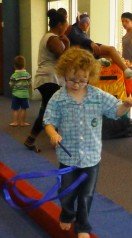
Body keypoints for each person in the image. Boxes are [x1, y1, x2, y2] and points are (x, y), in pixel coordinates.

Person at [43, 47, 132, 238]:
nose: (76, 84)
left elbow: (115, 110)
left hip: (91, 157)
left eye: (82, 80)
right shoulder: (58, 98)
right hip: (67, 157)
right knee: (66, 191)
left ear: (90, 76)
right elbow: (49, 120)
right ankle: (67, 214)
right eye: (71, 79)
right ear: (63, 74)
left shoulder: (97, 95)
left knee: (86, 195)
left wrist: (126, 105)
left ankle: (83, 225)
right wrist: (52, 133)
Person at [24, 8, 69, 152]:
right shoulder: (53, 38)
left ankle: (31, 140)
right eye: (66, 24)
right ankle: (57, 139)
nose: (67, 26)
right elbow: (64, 59)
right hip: (49, 79)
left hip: (48, 79)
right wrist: (67, 44)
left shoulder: (48, 36)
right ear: (60, 24)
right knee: (53, 111)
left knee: (46, 110)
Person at [66, 13, 132, 80]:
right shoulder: (74, 29)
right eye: (122, 21)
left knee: (115, 53)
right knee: (112, 50)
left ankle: (100, 61)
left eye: (89, 22)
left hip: (129, 64)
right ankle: (123, 69)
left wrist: (130, 64)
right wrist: (91, 43)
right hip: (84, 55)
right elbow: (80, 38)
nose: (88, 25)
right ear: (79, 22)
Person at [9, 55, 31, 127]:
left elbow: (11, 84)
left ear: (14, 66)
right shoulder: (27, 75)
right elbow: (30, 84)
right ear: (24, 65)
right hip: (25, 95)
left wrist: (13, 86)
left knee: (15, 109)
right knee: (23, 109)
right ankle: (22, 122)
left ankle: (15, 122)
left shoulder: (13, 75)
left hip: (15, 95)